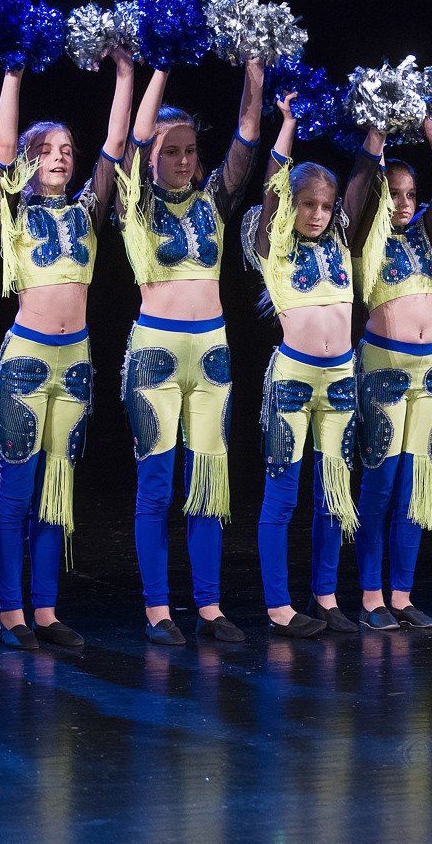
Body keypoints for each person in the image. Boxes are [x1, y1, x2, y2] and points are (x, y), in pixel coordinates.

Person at [0, 47, 137, 650]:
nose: (59, 157)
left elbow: (116, 145)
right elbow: (3, 145)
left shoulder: (87, 212)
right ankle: (11, 616)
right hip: (25, 364)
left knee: (56, 491)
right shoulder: (15, 210)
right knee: (16, 491)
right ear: (29, 162)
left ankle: (45, 612)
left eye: (66, 150)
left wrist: (125, 74)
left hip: (74, 366)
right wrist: (13, 71)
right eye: (46, 150)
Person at [120, 57, 265, 645]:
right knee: (156, 486)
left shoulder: (213, 201)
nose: (183, 160)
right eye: (171, 151)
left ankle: (209, 606)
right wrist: (157, 68)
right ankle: (158, 609)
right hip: (155, 355)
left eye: (189, 151)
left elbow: (247, 139)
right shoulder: (133, 203)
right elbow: (131, 144)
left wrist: (254, 70)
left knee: (207, 483)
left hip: (212, 356)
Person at [243, 91, 360, 638]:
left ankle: (326, 596)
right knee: (283, 494)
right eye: (307, 204)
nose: (317, 214)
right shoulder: (275, 245)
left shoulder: (343, 241)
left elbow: (365, 180)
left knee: (334, 493)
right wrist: (287, 124)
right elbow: (272, 189)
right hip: (293, 380)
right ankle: (278, 606)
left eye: (325, 206)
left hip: (341, 380)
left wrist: (378, 132)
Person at [347, 117, 432, 631]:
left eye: (411, 194)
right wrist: (378, 136)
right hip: (384, 370)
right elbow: (358, 194)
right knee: (380, 483)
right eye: (393, 194)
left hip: (430, 373)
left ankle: (403, 594)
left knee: (416, 486)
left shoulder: (423, 237)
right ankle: (372, 597)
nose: (404, 203)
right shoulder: (361, 239)